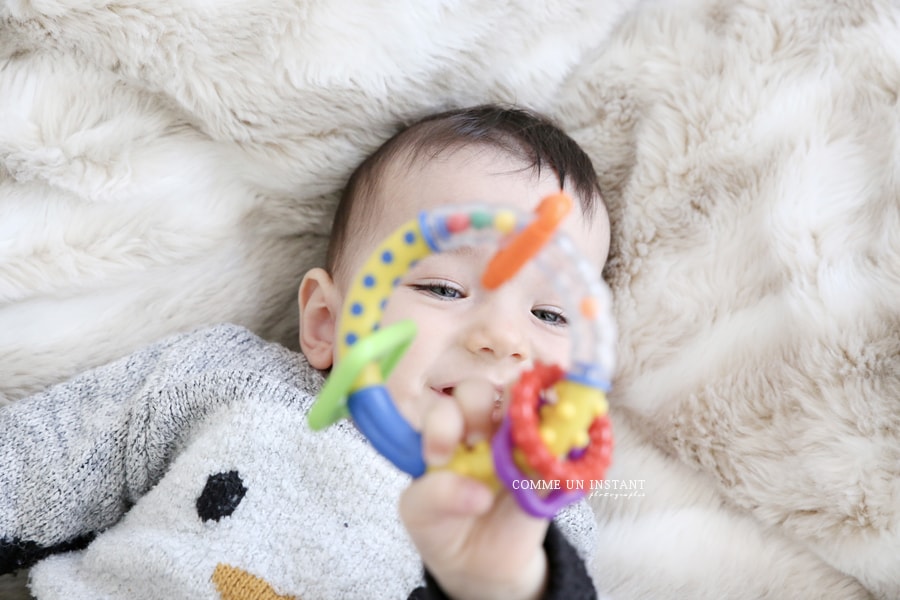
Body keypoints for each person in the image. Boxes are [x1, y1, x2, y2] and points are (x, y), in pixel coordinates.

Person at [0, 105, 610, 599]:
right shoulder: (230, 377)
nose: (502, 338)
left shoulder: (537, 502)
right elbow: (50, 454)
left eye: (550, 314)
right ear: (326, 321)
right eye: (445, 287)